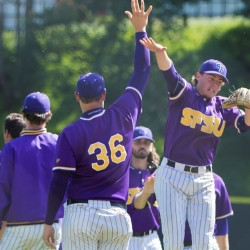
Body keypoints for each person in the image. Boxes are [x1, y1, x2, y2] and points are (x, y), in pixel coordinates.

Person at [42, 0, 152, 249]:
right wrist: (140, 30)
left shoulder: (70, 133)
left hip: (82, 215)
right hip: (117, 216)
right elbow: (143, 69)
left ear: (77, 96)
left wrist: (49, 221)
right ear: (104, 95)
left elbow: (59, 182)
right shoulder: (124, 113)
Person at [139, 37, 250, 250]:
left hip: (204, 177)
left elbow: (245, 125)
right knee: (173, 242)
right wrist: (160, 53)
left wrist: (249, 106)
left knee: (203, 243)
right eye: (211, 78)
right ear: (198, 76)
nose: (215, 84)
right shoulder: (185, 94)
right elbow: (169, 73)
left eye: (219, 81)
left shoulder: (223, 106)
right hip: (172, 175)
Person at [0, 92, 63, 249]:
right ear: (48, 115)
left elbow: (4, 188)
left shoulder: (11, 148)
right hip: (52, 226)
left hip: (18, 227)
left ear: (24, 115)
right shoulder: (59, 143)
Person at [127, 126, 162, 250]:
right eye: (138, 142)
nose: (142, 145)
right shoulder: (121, 174)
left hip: (152, 238)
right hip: (126, 239)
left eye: (146, 142)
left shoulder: (159, 174)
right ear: (129, 144)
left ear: (151, 146)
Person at [183, 172, 233, 250]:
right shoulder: (169, 179)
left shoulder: (217, 181)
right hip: (179, 245)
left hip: (208, 245)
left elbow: (221, 225)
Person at [0, 113, 26, 240]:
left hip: (9, 226)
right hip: (39, 223)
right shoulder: (34, 155)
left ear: (6, 133)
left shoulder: (4, 156)